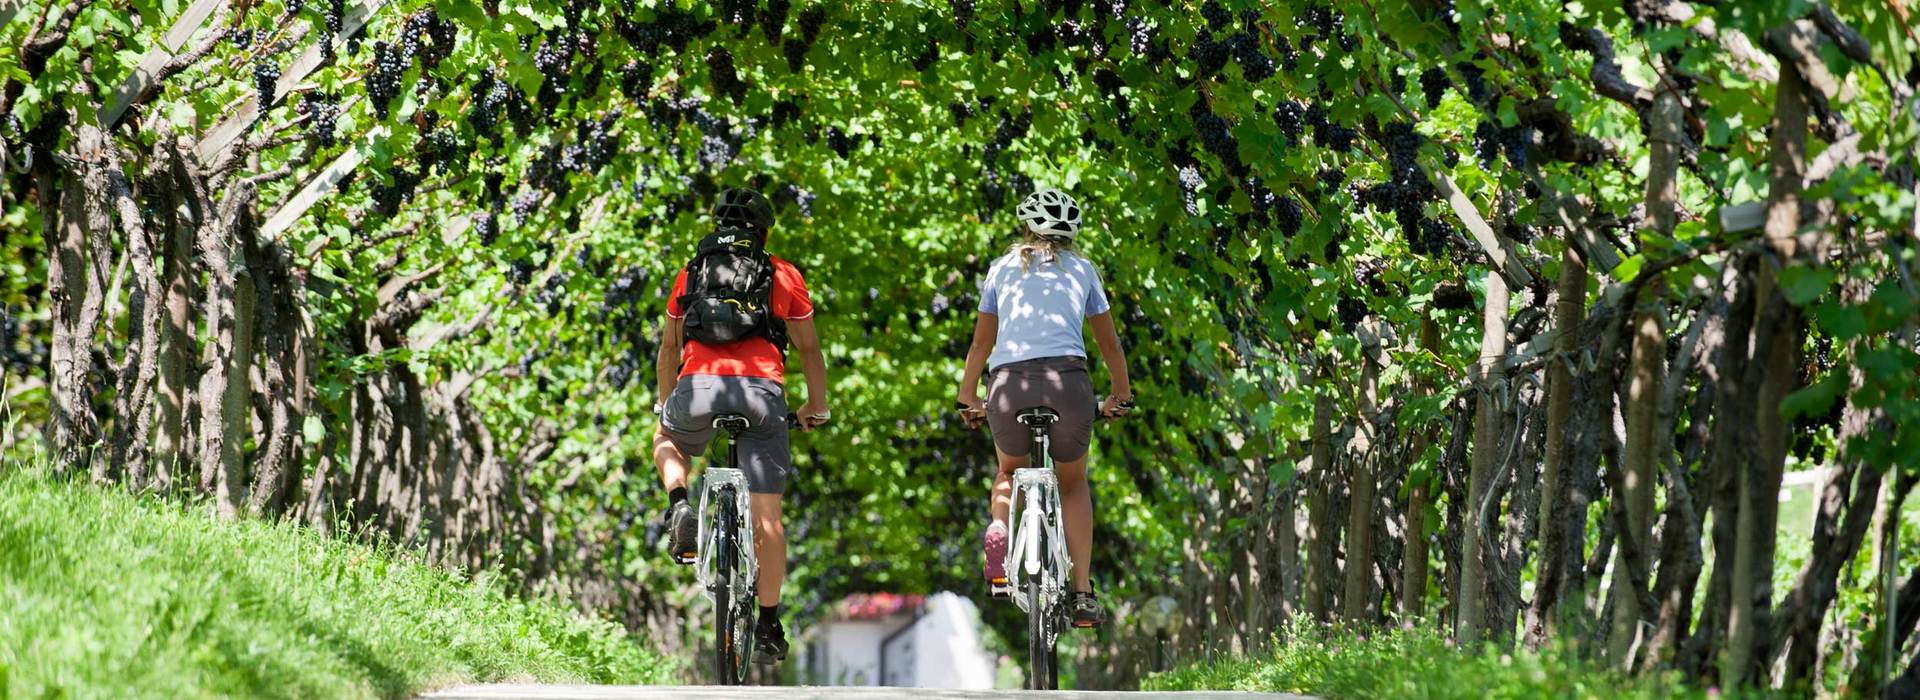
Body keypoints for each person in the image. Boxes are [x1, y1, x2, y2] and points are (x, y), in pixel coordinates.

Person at [656, 187, 830, 663]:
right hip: (762, 395)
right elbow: (810, 350)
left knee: (667, 439)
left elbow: (669, 349)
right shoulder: (782, 273)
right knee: (768, 515)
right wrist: (817, 406)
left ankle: (678, 505)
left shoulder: (692, 272)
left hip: (698, 386)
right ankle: (769, 622)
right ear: (765, 231)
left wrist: (665, 405)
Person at [955, 188, 1133, 628]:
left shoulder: (1000, 270)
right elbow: (1109, 344)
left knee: (1008, 472)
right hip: (1068, 385)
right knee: (1072, 483)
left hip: (1007, 385)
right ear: (1072, 234)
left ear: (1027, 228)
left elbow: (981, 345)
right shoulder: (1085, 271)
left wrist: (968, 398)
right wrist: (1120, 396)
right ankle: (1082, 592)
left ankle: (1000, 525)